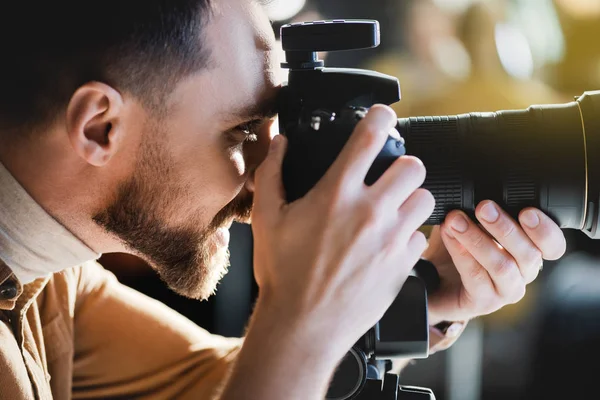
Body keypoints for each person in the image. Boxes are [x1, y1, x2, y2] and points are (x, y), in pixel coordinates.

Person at [0, 0, 567, 399]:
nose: (259, 186)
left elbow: (222, 382)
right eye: (242, 133)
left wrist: (400, 297)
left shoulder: (48, 278)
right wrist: (304, 320)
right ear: (100, 128)